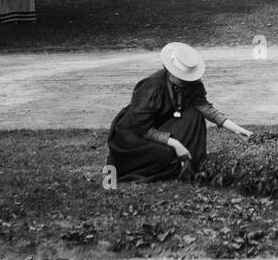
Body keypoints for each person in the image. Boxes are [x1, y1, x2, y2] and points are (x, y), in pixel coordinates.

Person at [106, 43, 253, 183]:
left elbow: (207, 109)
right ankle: (164, 162)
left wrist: (238, 129)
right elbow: (142, 128)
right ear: (169, 70)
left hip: (161, 125)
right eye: (181, 75)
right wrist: (175, 144)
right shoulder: (151, 86)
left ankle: (191, 162)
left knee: (194, 114)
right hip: (134, 134)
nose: (185, 80)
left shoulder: (192, 84)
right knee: (167, 154)